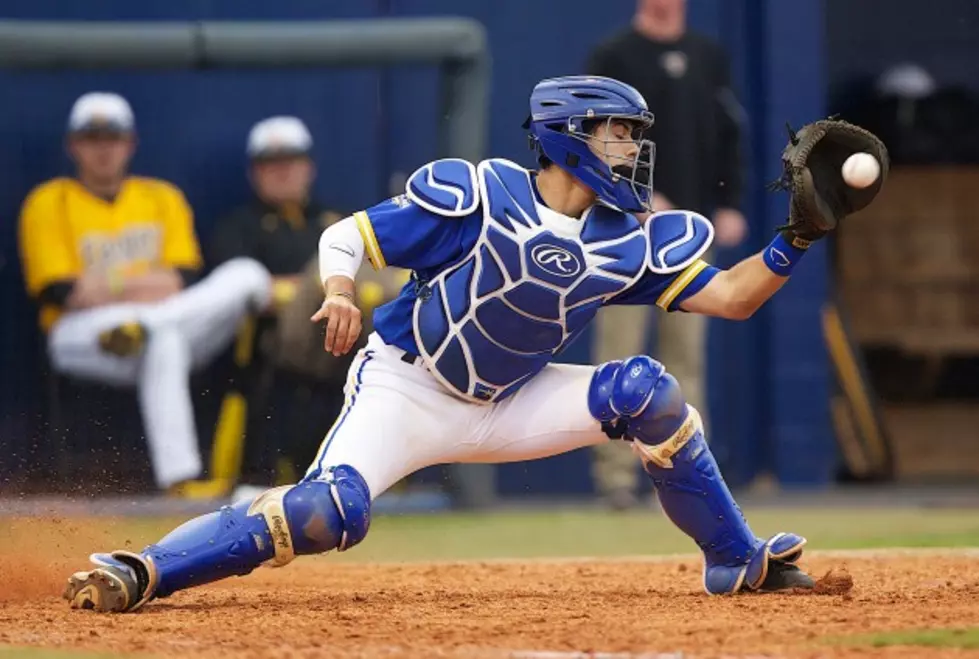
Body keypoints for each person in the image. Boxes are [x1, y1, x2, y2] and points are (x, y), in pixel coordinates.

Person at [63, 75, 832, 613]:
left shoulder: (624, 239)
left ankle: (733, 558)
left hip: (511, 398)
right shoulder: (478, 196)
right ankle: (144, 568)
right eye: (618, 132)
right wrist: (336, 292)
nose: (631, 149)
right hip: (408, 386)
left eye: (633, 134)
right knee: (327, 512)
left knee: (647, 392)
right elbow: (349, 235)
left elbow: (731, 299)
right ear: (569, 136)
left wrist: (794, 239)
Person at [19, 92, 272, 496]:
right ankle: (183, 482)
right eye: (92, 138)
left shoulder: (160, 197)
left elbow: (183, 278)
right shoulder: (48, 202)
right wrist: (141, 284)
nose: (104, 148)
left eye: (112, 137)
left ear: (130, 143)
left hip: (164, 317)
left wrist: (108, 287)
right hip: (82, 333)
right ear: (73, 145)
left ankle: (178, 477)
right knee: (164, 338)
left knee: (248, 275)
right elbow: (60, 292)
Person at [587, 0, 749, 508]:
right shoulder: (613, 55)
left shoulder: (707, 54)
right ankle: (616, 479)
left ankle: (688, 476)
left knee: (686, 361)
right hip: (626, 233)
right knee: (619, 358)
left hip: (688, 241)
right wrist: (637, 197)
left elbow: (728, 133)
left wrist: (728, 202)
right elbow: (595, 143)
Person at [208, 116, 402, 492]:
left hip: (349, 337)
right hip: (281, 340)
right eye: (271, 163)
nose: (282, 172)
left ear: (308, 168)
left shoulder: (334, 221)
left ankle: (376, 471)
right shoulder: (239, 226)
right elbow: (239, 288)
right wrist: (313, 288)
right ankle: (260, 475)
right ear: (255, 172)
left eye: (291, 162)